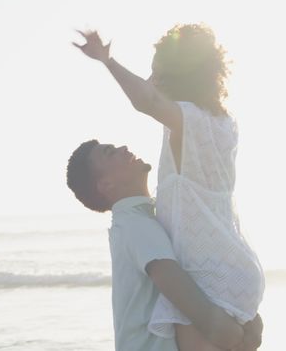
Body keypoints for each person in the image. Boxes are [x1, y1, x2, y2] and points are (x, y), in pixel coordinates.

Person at [73, 26, 264, 351]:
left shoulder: (186, 123)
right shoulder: (222, 123)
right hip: (238, 266)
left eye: (155, 73)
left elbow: (146, 99)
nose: (150, 80)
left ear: (172, 78)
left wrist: (108, 61)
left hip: (208, 275)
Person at [66, 139, 262, 351]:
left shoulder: (142, 220)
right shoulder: (135, 224)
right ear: (106, 185)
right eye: (110, 152)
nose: (123, 148)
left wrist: (247, 317)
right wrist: (230, 333)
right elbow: (173, 281)